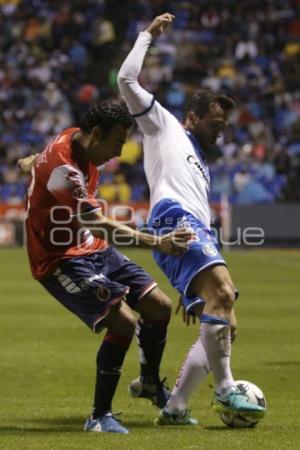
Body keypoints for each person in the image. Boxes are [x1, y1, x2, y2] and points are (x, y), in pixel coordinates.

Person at [117, 13, 266, 425]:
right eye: (215, 123)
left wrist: (190, 283)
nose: (221, 131)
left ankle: (176, 407)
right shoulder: (162, 124)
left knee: (226, 317)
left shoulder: (201, 163)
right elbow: (126, 81)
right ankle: (226, 390)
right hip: (173, 220)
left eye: (224, 125)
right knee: (223, 290)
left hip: (195, 228)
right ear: (194, 117)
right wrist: (147, 36)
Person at [22, 100, 191, 434]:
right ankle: (99, 416)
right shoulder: (64, 171)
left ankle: (149, 383)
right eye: (117, 142)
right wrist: (158, 242)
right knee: (123, 321)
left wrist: (28, 161)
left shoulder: (73, 137)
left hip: (91, 246)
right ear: (96, 134)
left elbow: (38, 160)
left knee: (159, 307)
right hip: (59, 260)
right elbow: (99, 223)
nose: (119, 152)